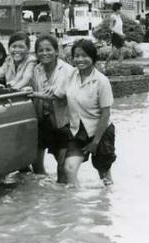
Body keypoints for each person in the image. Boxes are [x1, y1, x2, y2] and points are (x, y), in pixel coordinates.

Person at [49, 39, 116, 188]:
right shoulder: (71, 75)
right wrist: (32, 94)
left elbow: (105, 114)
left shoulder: (101, 81)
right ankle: (76, 206)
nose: (80, 59)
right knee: (69, 168)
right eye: (76, 56)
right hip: (77, 131)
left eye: (84, 56)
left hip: (101, 132)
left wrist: (95, 142)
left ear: (93, 57)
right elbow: (57, 95)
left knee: (104, 174)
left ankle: (105, 204)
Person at [29, 35, 73, 182]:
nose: (44, 53)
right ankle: (44, 197)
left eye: (48, 49)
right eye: (40, 50)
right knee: (36, 166)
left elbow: (58, 95)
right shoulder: (36, 69)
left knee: (62, 168)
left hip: (64, 123)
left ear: (56, 52)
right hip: (44, 120)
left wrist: (34, 94)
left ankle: (62, 200)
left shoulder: (67, 70)